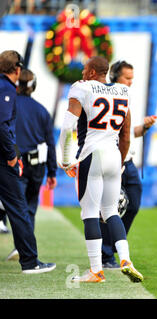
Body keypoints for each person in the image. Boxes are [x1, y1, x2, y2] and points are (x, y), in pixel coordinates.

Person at [59, 56, 143, 283]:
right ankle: (126, 259)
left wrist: (66, 160)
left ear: (93, 71)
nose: (82, 73)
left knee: (89, 214)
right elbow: (125, 136)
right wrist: (122, 162)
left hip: (92, 155)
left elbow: (67, 128)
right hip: (115, 156)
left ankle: (96, 270)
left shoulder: (82, 88)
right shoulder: (123, 91)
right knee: (111, 212)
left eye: (85, 69)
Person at [0, 50, 56, 274]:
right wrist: (13, 156)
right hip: (7, 162)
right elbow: (3, 126)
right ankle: (30, 261)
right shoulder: (6, 89)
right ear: (17, 69)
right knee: (20, 208)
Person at [100, 60, 157, 269]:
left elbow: (129, 132)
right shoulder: (106, 95)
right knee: (109, 208)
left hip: (127, 159)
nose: (131, 82)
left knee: (132, 203)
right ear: (114, 76)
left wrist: (145, 127)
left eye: (132, 78)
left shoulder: (125, 97)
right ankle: (106, 255)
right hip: (112, 160)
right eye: (127, 78)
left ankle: (115, 243)